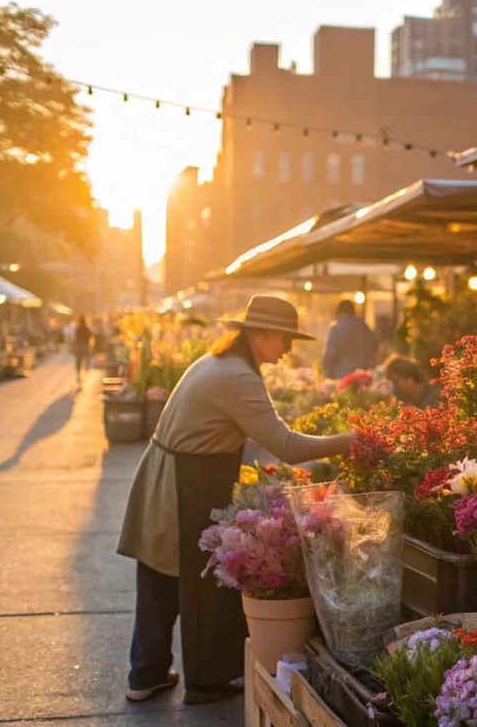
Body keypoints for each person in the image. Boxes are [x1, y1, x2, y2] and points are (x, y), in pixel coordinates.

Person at [116, 296, 354, 705]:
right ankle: (206, 681)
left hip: (173, 474)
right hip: (185, 481)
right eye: (284, 340)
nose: (286, 352)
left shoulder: (219, 363)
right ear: (260, 334)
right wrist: (350, 441)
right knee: (203, 583)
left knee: (160, 576)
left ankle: (147, 673)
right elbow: (286, 445)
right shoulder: (237, 376)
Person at [320, 299, 378, 379]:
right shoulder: (364, 327)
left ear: (338, 311)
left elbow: (330, 353)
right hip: (363, 375)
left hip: (341, 375)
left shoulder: (336, 327)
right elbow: (374, 347)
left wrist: (326, 372)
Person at [73, 315, 92, 383]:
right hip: (85, 345)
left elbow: (75, 337)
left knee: (78, 360)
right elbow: (90, 335)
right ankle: (87, 369)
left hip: (78, 346)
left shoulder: (77, 329)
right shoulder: (86, 328)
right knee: (87, 358)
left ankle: (78, 374)